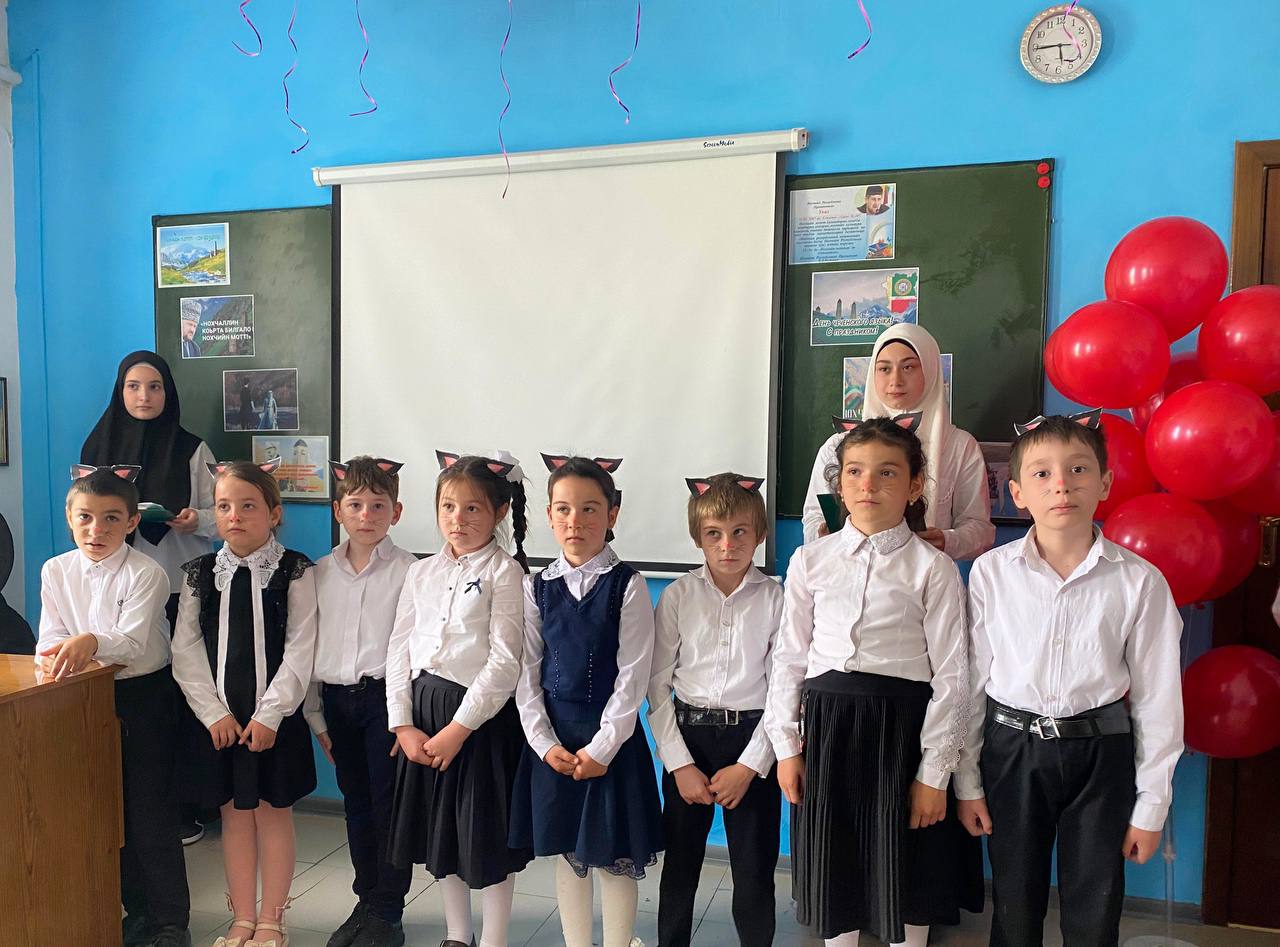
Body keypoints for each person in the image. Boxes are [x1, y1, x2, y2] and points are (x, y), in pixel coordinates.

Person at [954, 411, 1184, 947]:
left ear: (1104, 483)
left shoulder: (1139, 581)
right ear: (1016, 493)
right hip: (1012, 750)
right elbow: (971, 681)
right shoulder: (992, 573)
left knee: (1095, 906)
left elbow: (1158, 700)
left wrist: (1151, 806)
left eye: (1079, 469)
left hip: (1101, 753)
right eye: (1042, 474)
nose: (1061, 485)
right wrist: (967, 782)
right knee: (1014, 902)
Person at [765, 416, 976, 947]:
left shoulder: (932, 568)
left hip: (903, 734)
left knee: (908, 871)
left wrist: (934, 775)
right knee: (835, 874)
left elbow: (954, 677)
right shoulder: (810, 561)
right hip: (828, 733)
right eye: (855, 472)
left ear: (913, 485)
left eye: (887, 472)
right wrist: (786, 748)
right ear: (838, 485)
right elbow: (789, 659)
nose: (868, 485)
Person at [509, 455, 663, 947]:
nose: (575, 520)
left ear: (612, 514)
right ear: (549, 515)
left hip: (609, 744)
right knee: (568, 852)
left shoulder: (627, 585)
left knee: (613, 855)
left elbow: (633, 677)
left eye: (589, 508)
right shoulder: (536, 587)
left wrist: (602, 748)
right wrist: (542, 742)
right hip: (555, 742)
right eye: (564, 509)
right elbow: (527, 672)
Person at [38, 465, 192, 947]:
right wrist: (60, 653)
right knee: (108, 811)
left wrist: (88, 641)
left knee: (150, 812)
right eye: (85, 517)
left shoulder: (147, 572)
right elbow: (50, 637)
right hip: (84, 696)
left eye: (110, 518)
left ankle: (170, 922)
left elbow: (129, 643)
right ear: (69, 518)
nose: (96, 529)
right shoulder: (56, 570)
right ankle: (137, 911)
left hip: (143, 698)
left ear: (131, 522)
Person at [385, 451, 534, 947]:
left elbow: (505, 662)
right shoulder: (421, 571)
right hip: (424, 713)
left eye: (473, 508)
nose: (458, 519)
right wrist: (402, 723)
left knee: (485, 836)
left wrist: (458, 729)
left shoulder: (505, 572)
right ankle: (457, 934)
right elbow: (399, 648)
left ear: (500, 512)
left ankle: (493, 939)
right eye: (448, 506)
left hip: (478, 720)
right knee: (440, 834)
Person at [171, 459, 319, 947]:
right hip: (221, 723)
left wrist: (271, 714)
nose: (234, 516)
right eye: (223, 506)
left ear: (274, 513)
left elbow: (301, 648)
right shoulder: (200, 573)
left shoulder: (294, 570)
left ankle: (272, 918)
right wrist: (213, 713)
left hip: (273, 720)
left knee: (273, 814)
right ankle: (242, 918)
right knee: (234, 816)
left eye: (248, 506)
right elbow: (185, 650)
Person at [81, 350, 220, 845]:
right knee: (132, 701)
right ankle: (123, 807)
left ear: (168, 393)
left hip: (180, 587)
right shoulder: (97, 448)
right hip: (115, 593)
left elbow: (221, 515)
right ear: (120, 391)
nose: (144, 396)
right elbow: (82, 513)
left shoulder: (193, 449)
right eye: (134, 386)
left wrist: (196, 520)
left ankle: (188, 806)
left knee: (182, 696)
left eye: (155, 386)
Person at [647, 473, 781, 947]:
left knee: (754, 870)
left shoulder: (777, 598)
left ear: (759, 534)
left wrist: (750, 766)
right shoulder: (678, 596)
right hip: (689, 739)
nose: (728, 545)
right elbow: (657, 687)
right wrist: (679, 765)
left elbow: (784, 691)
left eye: (740, 531)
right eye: (714, 534)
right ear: (698, 538)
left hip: (752, 740)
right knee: (680, 867)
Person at [303, 457, 417, 947]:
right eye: (355, 505)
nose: (366, 515)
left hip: (384, 704)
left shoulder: (410, 571)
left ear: (396, 512)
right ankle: (366, 900)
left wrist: (402, 718)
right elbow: (308, 645)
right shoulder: (319, 572)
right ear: (338, 510)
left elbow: (412, 650)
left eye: (378, 505)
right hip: (335, 703)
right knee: (356, 805)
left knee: (388, 807)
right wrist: (315, 716)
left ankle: (387, 911)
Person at [802, 324, 994, 561]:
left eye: (908, 367)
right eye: (884, 369)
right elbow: (813, 516)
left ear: (931, 370)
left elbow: (980, 528)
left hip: (923, 571)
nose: (896, 380)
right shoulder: (839, 446)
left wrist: (948, 541)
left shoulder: (960, 446)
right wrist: (822, 533)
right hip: (848, 570)